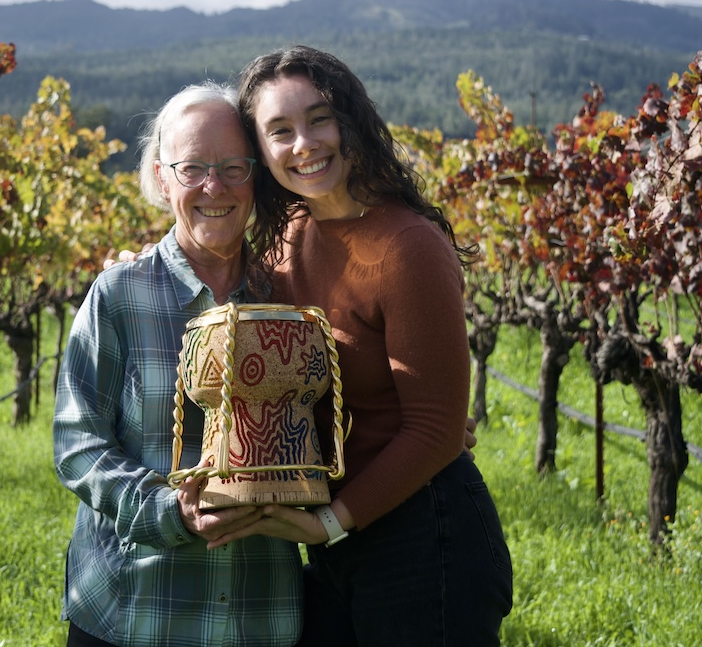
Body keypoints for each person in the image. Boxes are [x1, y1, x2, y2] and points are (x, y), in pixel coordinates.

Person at [206, 45, 514, 646]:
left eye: (319, 118)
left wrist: (330, 525)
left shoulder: (408, 246)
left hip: (425, 535)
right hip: (338, 535)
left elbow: (435, 431)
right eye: (280, 130)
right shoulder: (287, 242)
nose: (304, 143)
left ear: (350, 120)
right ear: (261, 151)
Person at [52, 82, 305, 647]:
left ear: (255, 177)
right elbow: (77, 444)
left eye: (233, 168)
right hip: (133, 611)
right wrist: (170, 510)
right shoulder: (119, 295)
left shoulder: (289, 301)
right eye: (191, 169)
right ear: (163, 180)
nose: (213, 186)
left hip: (258, 614)